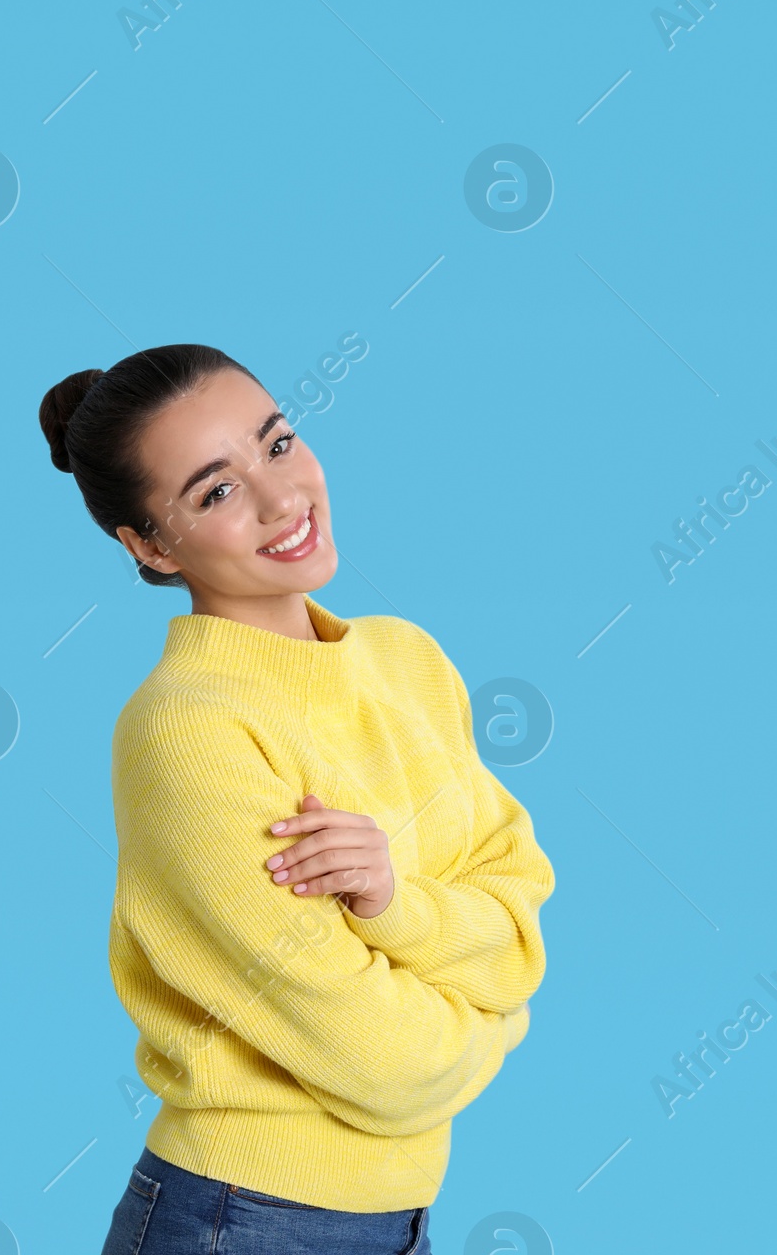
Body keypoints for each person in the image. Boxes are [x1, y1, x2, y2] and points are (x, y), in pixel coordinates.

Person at [38, 343, 555, 1255]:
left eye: (276, 445)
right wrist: (492, 1028)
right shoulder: (187, 731)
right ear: (150, 546)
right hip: (241, 1219)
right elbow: (386, 1067)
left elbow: (518, 914)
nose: (283, 498)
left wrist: (396, 905)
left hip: (397, 1217)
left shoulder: (409, 661)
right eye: (215, 491)